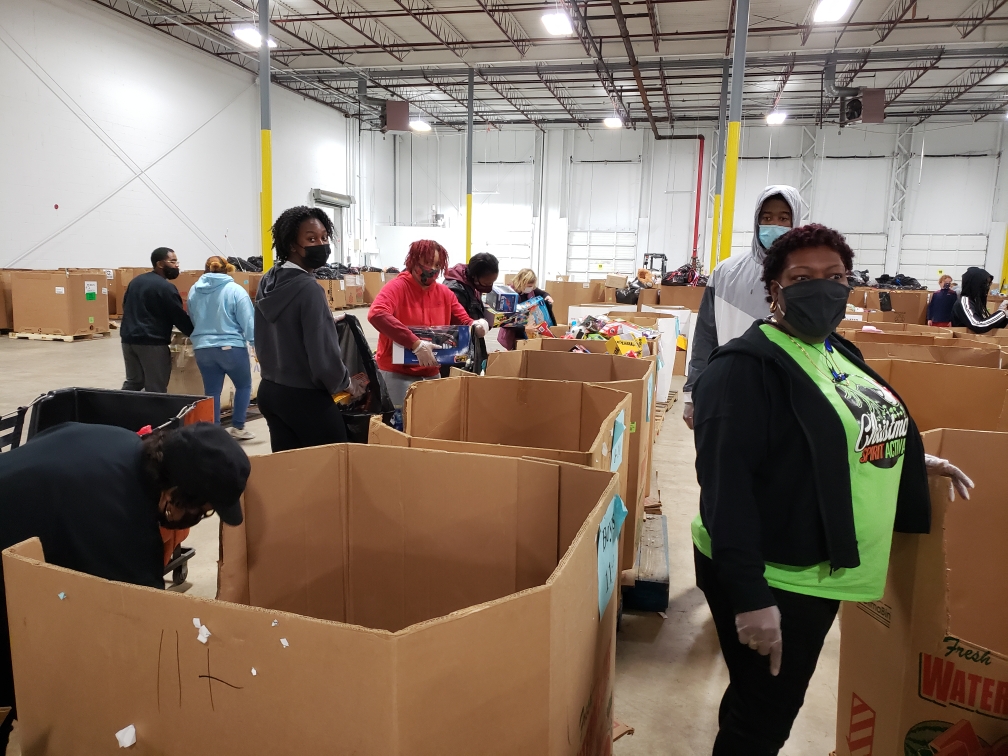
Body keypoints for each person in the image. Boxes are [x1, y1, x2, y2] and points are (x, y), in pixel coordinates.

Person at [690, 223, 973, 755]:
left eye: (834, 276)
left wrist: (906, 460)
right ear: (773, 289)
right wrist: (751, 598)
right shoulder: (743, 370)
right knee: (764, 723)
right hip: (778, 574)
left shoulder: (834, 349)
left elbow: (842, 424)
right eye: (802, 277)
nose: (821, 287)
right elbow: (725, 492)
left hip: (817, 565)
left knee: (755, 700)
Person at [0, 421, 249, 740]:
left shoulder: (123, 442)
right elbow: (145, 628)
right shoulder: (122, 525)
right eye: (203, 510)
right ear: (172, 497)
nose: (198, 519)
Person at [684, 185, 801, 429]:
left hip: (788, 402)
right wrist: (693, 394)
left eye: (783, 218)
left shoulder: (806, 277)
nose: (774, 225)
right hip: (730, 394)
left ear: (796, 221)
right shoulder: (726, 273)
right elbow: (706, 336)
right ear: (756, 221)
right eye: (767, 218)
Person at [255, 206, 351, 453]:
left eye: (324, 238)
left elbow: (280, 327)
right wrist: (347, 384)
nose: (321, 245)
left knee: (292, 474)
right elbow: (324, 360)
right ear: (291, 245)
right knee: (335, 468)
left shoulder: (269, 280)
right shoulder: (309, 289)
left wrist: (325, 319)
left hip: (271, 391)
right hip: (305, 398)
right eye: (311, 239)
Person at [368, 240, 487, 407]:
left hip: (432, 372)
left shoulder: (444, 293)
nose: (432, 269)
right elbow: (377, 313)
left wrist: (477, 325)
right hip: (396, 373)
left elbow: (463, 319)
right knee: (399, 424)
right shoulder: (396, 287)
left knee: (431, 423)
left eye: (437, 264)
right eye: (428, 262)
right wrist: (415, 344)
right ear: (414, 261)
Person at [187, 256, 256, 440]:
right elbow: (249, 321)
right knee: (243, 385)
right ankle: (238, 427)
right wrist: (256, 343)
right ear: (228, 270)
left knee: (212, 392)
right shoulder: (235, 290)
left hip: (203, 349)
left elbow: (192, 316)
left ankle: (215, 432)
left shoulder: (194, 290)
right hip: (231, 348)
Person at [120, 247, 194, 393]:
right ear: (160, 264)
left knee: (134, 382)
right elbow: (178, 316)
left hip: (128, 341)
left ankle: (119, 411)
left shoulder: (136, 282)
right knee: (156, 386)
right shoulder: (166, 288)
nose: (176, 265)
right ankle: (155, 415)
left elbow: (125, 305)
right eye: (172, 261)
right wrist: (196, 333)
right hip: (152, 343)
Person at [497, 268, 556, 350]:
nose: (530, 288)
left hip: (528, 333)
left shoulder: (531, 290)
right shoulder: (508, 295)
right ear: (521, 282)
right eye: (528, 286)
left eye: (532, 286)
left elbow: (542, 293)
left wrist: (547, 296)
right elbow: (503, 321)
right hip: (514, 334)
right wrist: (524, 328)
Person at [443, 252, 499, 321]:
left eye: (492, 283)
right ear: (474, 276)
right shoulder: (456, 291)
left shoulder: (473, 283)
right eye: (486, 284)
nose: (489, 287)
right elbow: (459, 323)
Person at [951, 266, 1007, 333]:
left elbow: (988, 327)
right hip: (963, 342)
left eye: (989, 284)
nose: (987, 287)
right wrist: (1002, 313)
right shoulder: (964, 301)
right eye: (986, 283)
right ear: (976, 284)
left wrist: (1005, 315)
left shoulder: (976, 302)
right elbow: (978, 325)